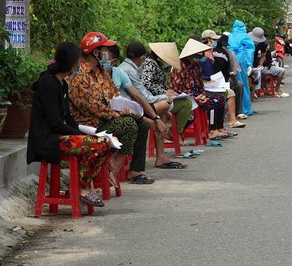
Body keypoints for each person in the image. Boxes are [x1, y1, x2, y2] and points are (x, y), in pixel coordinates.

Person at [27, 42, 114, 208]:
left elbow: (69, 118)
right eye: (78, 61)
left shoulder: (62, 84)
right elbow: (56, 124)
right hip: (48, 139)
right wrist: (82, 136)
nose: (80, 64)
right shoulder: (48, 84)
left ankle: (81, 185)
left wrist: (85, 132)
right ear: (71, 63)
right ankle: (81, 187)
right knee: (99, 145)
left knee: (106, 142)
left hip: (59, 135)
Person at [67, 32, 152, 186]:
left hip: (105, 118)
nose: (108, 54)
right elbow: (90, 107)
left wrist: (123, 108)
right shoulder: (79, 75)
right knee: (128, 125)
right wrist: (115, 114)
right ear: (96, 52)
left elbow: (114, 94)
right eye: (105, 50)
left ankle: (114, 167)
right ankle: (111, 167)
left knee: (139, 125)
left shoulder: (102, 72)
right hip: (88, 123)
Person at [118, 42, 186, 169]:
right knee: (165, 106)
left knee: (163, 110)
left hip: (137, 104)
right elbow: (143, 96)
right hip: (131, 107)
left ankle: (160, 155)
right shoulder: (131, 70)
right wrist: (166, 97)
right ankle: (161, 139)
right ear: (142, 57)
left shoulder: (127, 67)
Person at [170, 38, 227, 140]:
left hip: (197, 93)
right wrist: (194, 97)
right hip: (184, 95)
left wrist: (202, 95)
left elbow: (200, 83)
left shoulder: (196, 65)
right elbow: (176, 88)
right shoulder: (179, 65)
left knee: (219, 99)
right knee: (191, 106)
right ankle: (177, 131)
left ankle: (216, 128)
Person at [142, 42, 193, 133]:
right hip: (154, 99)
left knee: (189, 102)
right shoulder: (150, 64)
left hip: (160, 96)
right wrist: (163, 91)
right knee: (187, 103)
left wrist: (169, 91)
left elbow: (159, 83)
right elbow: (146, 84)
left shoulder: (155, 63)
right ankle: (175, 132)